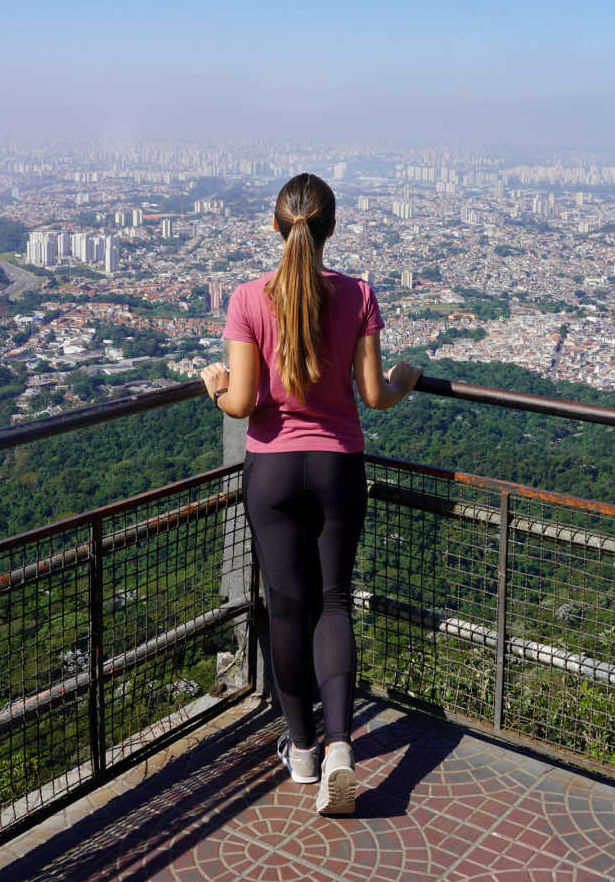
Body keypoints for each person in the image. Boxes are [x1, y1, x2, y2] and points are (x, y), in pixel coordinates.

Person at [201, 173, 421, 816]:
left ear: (277, 226)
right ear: (331, 229)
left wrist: (213, 385)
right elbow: (374, 395)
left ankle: (300, 751)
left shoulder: (247, 298)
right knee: (333, 603)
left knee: (287, 608)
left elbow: (241, 405)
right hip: (337, 466)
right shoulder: (358, 294)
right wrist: (406, 379)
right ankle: (340, 750)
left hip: (272, 469)